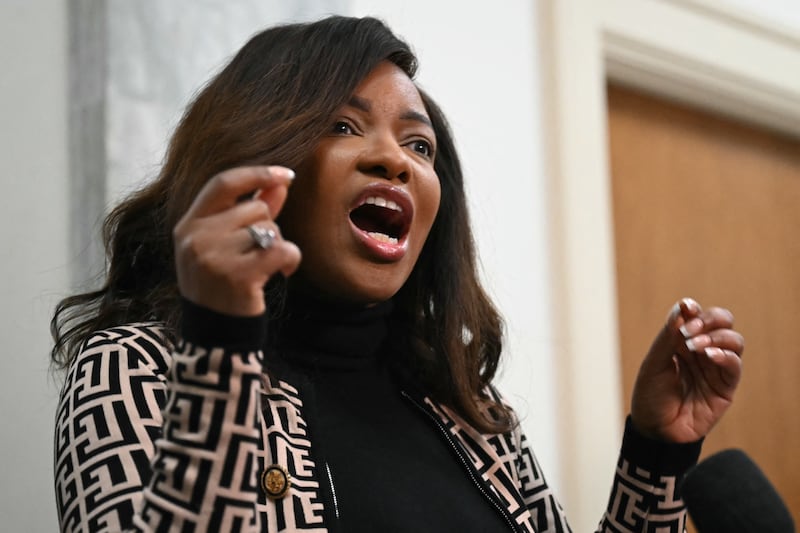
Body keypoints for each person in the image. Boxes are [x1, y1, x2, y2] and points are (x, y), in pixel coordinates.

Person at [51, 15, 744, 533]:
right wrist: (222, 349)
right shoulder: (136, 367)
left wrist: (656, 451)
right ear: (260, 156)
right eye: (345, 128)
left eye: (419, 144)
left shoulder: (468, 412)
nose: (396, 161)